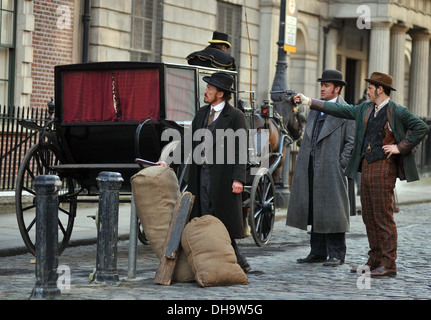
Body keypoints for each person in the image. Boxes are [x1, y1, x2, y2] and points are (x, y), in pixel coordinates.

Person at [295, 72, 429, 277]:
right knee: (368, 217)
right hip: (366, 166)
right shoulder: (365, 109)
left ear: (380, 89)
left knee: (383, 217)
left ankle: (388, 265)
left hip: (384, 167)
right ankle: (374, 261)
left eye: (370, 88)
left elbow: (420, 127)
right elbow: (338, 109)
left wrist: (399, 147)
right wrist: (308, 101)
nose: (367, 91)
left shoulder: (397, 111)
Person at [158, 71, 250, 272]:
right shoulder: (201, 113)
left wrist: (238, 178)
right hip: (201, 174)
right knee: (204, 213)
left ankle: (237, 259)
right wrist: (168, 161)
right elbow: (188, 142)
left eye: (209, 88)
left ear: (220, 93)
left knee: (222, 218)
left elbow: (241, 149)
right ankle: (212, 260)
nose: (206, 91)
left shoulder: (236, 116)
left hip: (224, 178)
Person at [286, 70, 355, 267]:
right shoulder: (316, 109)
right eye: (321, 85)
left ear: (337, 88)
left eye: (326, 85)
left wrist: (341, 163)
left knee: (334, 209)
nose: (322, 88)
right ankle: (317, 252)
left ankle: (336, 253)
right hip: (311, 163)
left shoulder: (347, 111)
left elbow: (351, 142)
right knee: (315, 206)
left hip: (332, 166)